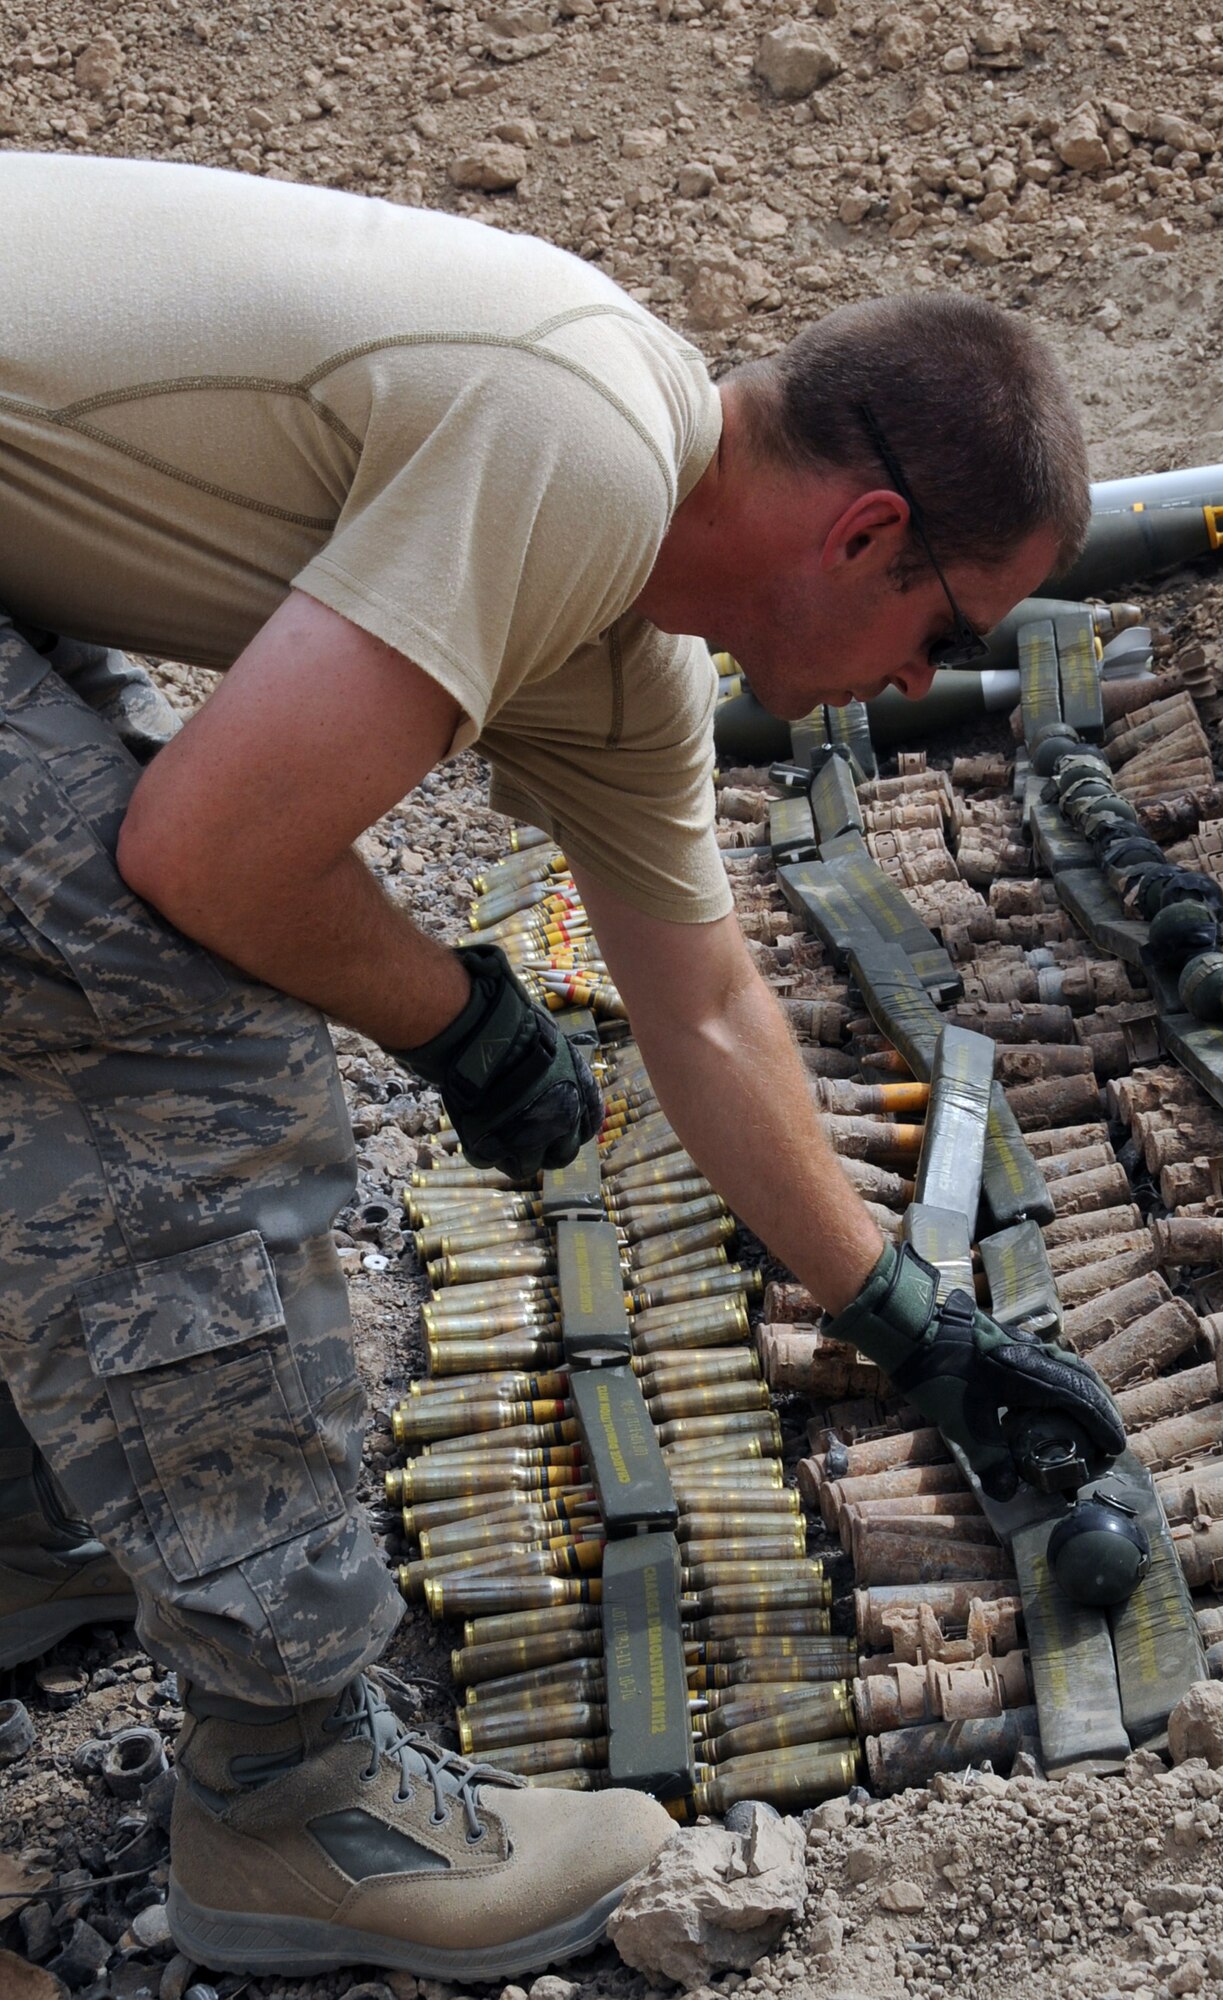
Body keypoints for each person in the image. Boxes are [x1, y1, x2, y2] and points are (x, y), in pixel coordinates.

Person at [0, 150, 1121, 1980]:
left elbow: (704, 1008)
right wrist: (448, 1011)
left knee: (51, 963)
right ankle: (291, 1797)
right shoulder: (581, 436)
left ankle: (34, 1523)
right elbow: (207, 861)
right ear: (862, 534)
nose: (925, 686)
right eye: (947, 631)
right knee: (177, 1026)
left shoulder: (623, 626)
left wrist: (917, 1321)